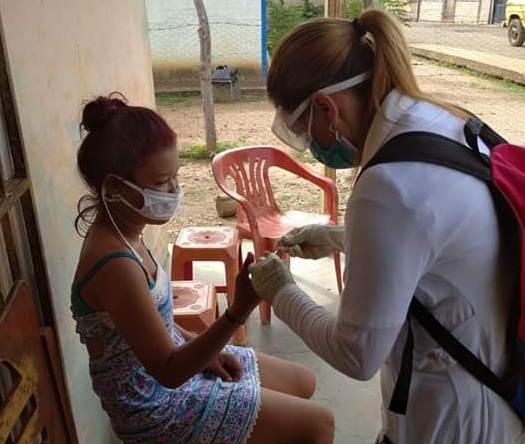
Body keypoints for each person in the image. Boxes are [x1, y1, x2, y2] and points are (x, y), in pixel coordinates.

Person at [248, 8, 525, 444]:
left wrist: (280, 290)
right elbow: (441, 242)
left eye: (303, 131)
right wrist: (342, 239)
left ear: (325, 107)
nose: (311, 146)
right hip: (492, 387)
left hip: (452, 418)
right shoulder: (438, 119)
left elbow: (356, 354)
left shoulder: (387, 187)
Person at [70, 93, 334, 444]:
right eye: (162, 182)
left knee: (304, 382)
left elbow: (154, 323)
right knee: (317, 424)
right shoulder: (115, 264)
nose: (175, 190)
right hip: (154, 406)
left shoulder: (124, 231)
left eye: (175, 176)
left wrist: (204, 349)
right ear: (116, 188)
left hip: (172, 368)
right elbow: (169, 371)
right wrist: (237, 312)